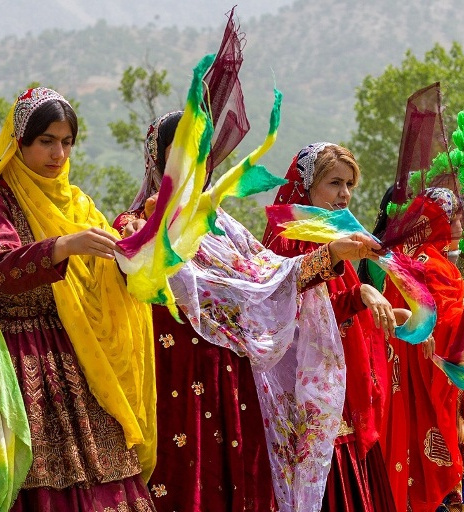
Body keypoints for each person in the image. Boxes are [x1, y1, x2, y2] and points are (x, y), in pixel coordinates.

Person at [116, 117, 385, 511]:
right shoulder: (135, 223)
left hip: (234, 377)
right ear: (157, 159)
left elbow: (272, 278)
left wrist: (334, 254)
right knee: (186, 484)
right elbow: (138, 272)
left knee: (241, 484)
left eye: (203, 152)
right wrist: (152, 230)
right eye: (182, 152)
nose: (195, 163)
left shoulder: (224, 227)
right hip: (177, 376)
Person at [0, 87, 157, 511]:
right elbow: (1, 267)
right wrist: (63, 246)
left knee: (105, 478)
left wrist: (147, 243)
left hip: (77, 354)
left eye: (66, 142)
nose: (58, 153)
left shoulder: (80, 204)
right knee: (30, 486)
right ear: (20, 142)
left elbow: (114, 267)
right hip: (15, 359)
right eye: (46, 141)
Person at [263, 142, 396, 511]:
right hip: (309, 399)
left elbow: (330, 311)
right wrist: (359, 291)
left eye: (350, 184)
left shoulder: (332, 235)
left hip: (340, 392)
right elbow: (288, 305)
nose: (345, 194)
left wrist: (364, 298)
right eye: (335, 183)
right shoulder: (287, 237)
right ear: (305, 186)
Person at [379, 187, 464, 512]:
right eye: (452, 217)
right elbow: (444, 327)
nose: (459, 225)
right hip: (422, 381)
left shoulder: (410, 257)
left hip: (405, 381)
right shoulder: (430, 265)